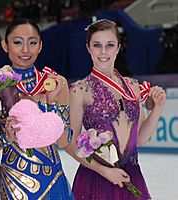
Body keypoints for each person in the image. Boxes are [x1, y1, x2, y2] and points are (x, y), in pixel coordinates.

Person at [65, 19, 166, 200]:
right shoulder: (79, 90)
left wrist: (157, 108)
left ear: (118, 48)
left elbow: (141, 140)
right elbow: (70, 144)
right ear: (88, 48)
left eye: (109, 45)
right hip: (96, 179)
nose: (103, 52)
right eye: (97, 45)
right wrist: (104, 171)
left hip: (132, 176)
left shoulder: (133, 87)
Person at [0, 19, 74, 199]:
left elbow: (63, 141)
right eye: (17, 42)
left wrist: (51, 103)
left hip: (52, 180)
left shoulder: (56, 83)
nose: (25, 50)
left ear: (40, 46)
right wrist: (6, 138)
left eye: (32, 43)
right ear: (5, 45)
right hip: (14, 183)